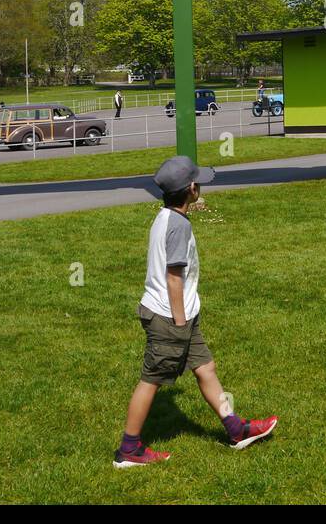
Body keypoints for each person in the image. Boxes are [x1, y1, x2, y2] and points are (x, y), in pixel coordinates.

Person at [115, 155, 278, 467]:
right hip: (170, 316)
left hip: (181, 314)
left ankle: (236, 429)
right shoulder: (177, 226)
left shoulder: (166, 216)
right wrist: (179, 321)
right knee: (151, 380)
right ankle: (129, 450)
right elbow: (174, 276)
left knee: (206, 369)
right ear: (191, 189)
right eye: (198, 182)